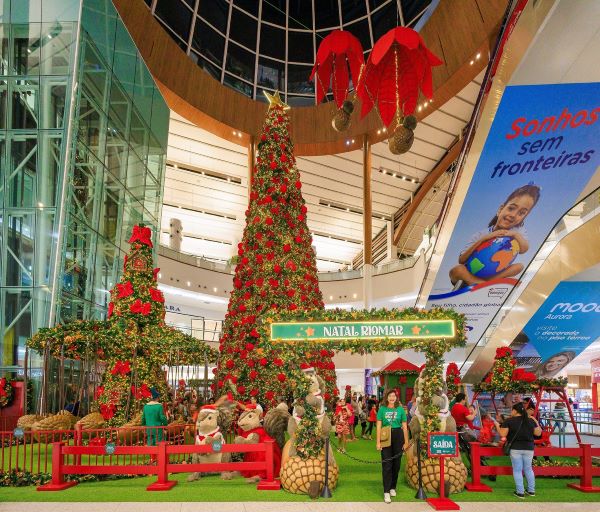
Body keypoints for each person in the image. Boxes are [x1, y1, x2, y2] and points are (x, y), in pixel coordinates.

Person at [450, 183, 541, 287]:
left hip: (492, 275)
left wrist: (515, 235)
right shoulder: (481, 234)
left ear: (524, 217)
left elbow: (524, 249)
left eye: (521, 213)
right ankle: (481, 284)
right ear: (500, 209)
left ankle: (484, 283)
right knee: (457, 270)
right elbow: (461, 260)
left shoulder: (517, 232)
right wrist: (484, 239)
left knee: (519, 266)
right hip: (471, 272)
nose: (513, 215)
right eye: (511, 208)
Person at [499, 402, 541, 499]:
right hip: (529, 448)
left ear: (514, 410)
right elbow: (538, 433)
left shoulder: (509, 421)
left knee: (517, 470)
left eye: (512, 410)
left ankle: (520, 492)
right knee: (528, 469)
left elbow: (503, 434)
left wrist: (497, 425)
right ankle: (531, 491)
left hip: (515, 448)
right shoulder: (530, 421)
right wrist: (534, 420)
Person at [376, 389, 409, 504]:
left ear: (396, 397)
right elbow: (379, 426)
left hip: (398, 437)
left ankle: (392, 487)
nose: (392, 398)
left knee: (397, 464)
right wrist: (378, 442)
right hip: (386, 437)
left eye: (393, 396)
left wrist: (406, 442)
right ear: (386, 397)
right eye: (390, 396)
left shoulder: (400, 410)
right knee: (387, 464)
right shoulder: (382, 409)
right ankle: (386, 492)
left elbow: (405, 427)